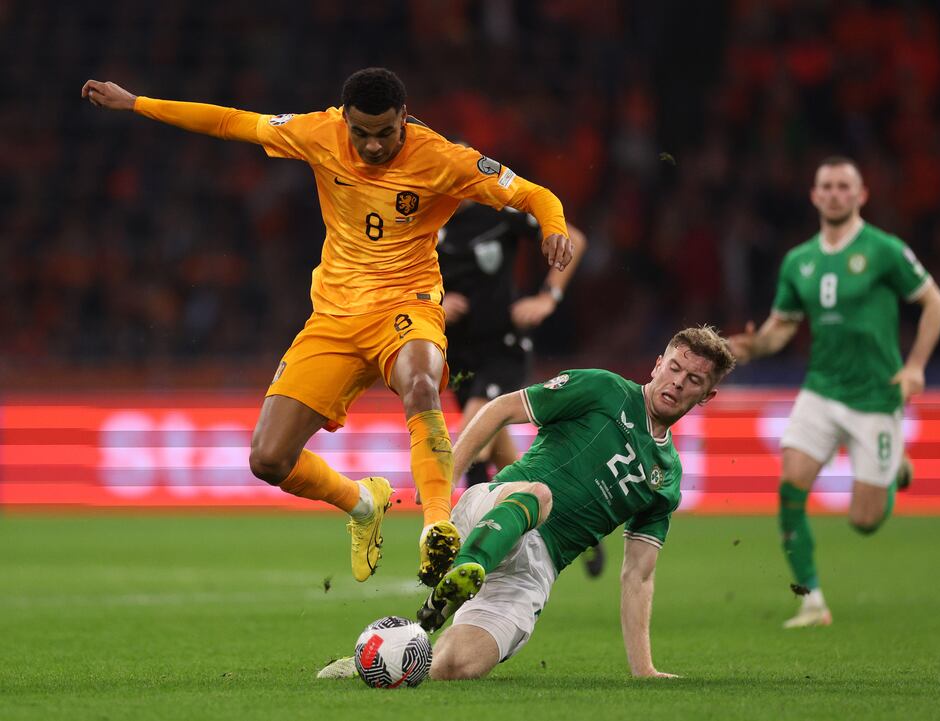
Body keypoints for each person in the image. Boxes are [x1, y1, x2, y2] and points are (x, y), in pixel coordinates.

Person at [81, 68, 574, 587]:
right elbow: (232, 123)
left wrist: (555, 229)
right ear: (346, 120)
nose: (373, 144)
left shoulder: (442, 158)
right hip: (335, 318)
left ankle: (436, 523)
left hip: (406, 307)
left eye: (385, 132)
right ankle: (362, 503)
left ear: (404, 119)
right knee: (268, 459)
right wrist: (137, 103)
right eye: (361, 132)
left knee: (421, 383)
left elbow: (536, 194)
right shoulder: (320, 132)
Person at [418, 326, 736, 680]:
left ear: (707, 395)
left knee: (455, 667)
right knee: (539, 495)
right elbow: (501, 409)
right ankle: (460, 575)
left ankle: (387, 655)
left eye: (693, 379)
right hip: (496, 508)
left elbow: (639, 575)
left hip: (535, 570)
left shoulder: (667, 479)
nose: (678, 382)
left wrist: (644, 669)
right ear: (657, 365)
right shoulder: (603, 389)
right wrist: (443, 483)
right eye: (675, 368)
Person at [727, 156, 940, 629]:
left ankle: (893, 470)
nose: (834, 193)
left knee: (865, 522)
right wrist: (753, 346)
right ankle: (812, 601)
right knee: (790, 489)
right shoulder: (799, 260)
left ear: (861, 195)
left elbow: (935, 302)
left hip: (876, 395)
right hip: (821, 390)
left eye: (844, 186)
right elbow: (781, 329)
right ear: (814, 196)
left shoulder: (884, 249)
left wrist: (915, 367)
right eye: (826, 186)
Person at [437, 202, 604, 576]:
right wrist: (434, 304)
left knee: (472, 441)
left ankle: (467, 549)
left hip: (503, 348)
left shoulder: (495, 210)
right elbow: (399, 280)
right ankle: (572, 522)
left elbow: (572, 237)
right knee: (506, 461)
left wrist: (548, 297)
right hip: (460, 358)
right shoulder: (419, 220)